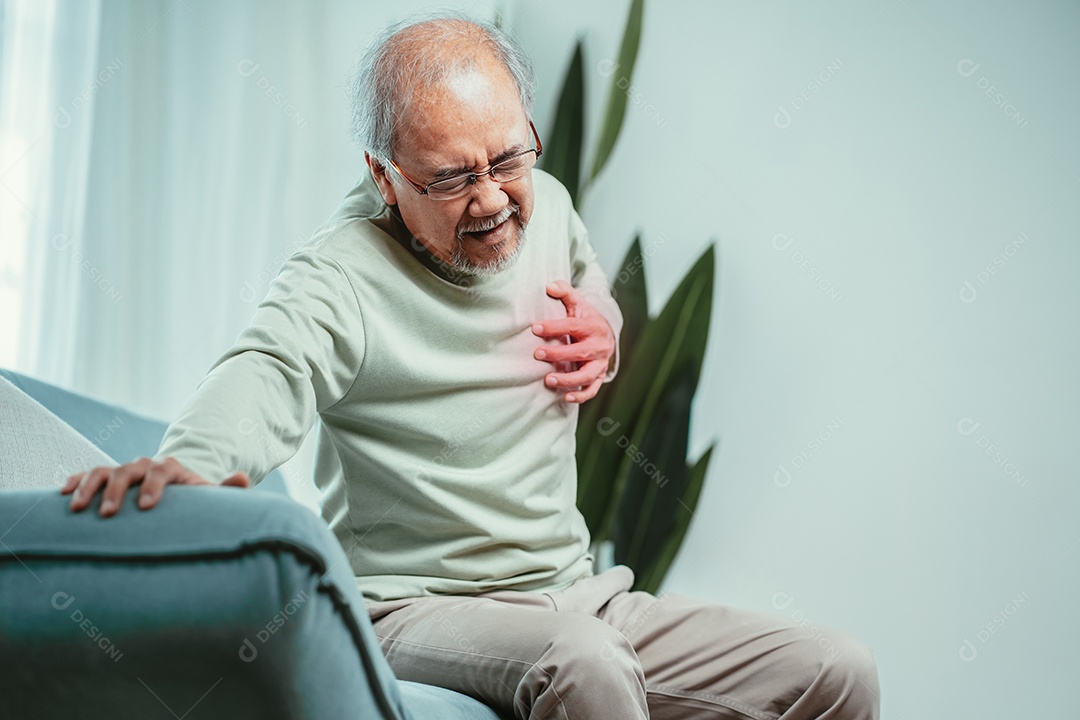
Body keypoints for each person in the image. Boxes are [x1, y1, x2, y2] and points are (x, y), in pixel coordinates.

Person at [64, 13, 880, 720]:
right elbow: (268, 368)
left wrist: (607, 320)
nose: (491, 200)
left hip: (582, 594)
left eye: (505, 160)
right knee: (584, 663)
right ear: (382, 174)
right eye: (450, 178)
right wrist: (185, 466)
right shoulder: (339, 275)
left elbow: (588, 276)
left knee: (835, 672)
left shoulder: (546, 201)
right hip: (414, 611)